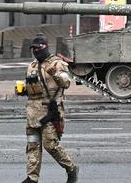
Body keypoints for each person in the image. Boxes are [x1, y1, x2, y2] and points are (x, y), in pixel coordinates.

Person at [18, 35, 78, 183]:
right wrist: (23, 90)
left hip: (50, 112)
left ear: (44, 47)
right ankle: (32, 178)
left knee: (51, 145)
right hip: (32, 112)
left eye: (37, 48)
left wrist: (54, 73)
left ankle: (71, 168)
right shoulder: (32, 65)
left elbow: (66, 82)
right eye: (33, 49)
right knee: (32, 146)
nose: (35, 51)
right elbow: (31, 87)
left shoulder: (57, 63)